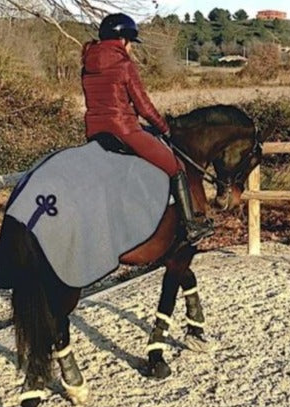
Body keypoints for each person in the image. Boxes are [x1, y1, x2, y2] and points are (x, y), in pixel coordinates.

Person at [81, 13, 214, 245]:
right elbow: (143, 106)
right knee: (176, 167)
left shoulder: (87, 64)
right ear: (122, 40)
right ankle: (191, 226)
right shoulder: (124, 65)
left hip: (94, 132)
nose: (131, 48)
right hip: (123, 131)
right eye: (131, 43)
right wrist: (164, 129)